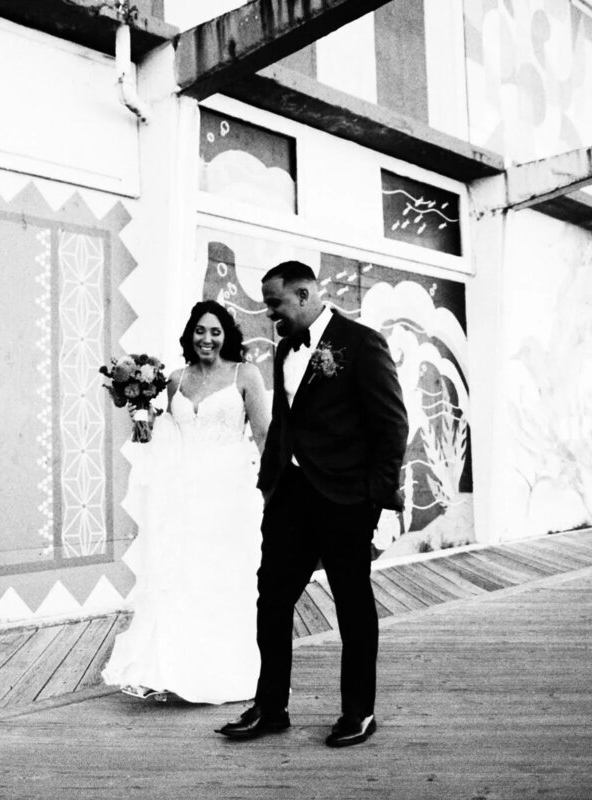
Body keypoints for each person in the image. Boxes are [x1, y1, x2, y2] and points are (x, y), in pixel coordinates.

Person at [216, 260, 408, 747]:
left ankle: (358, 712)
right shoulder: (284, 350)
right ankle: (271, 706)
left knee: (352, 606)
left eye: (275, 303)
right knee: (272, 600)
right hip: (291, 500)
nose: (269, 313)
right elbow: (285, 419)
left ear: (304, 295)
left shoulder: (363, 344)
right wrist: (269, 482)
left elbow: (392, 426)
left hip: (346, 501)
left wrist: (373, 500)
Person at [102, 300, 271, 704]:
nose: (207, 339)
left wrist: (273, 491)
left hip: (229, 494)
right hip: (180, 495)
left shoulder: (244, 375)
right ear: (189, 335)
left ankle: (221, 669)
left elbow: (265, 436)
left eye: (215, 331)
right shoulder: (175, 380)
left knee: (222, 581)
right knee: (177, 578)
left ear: (227, 334)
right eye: (200, 331)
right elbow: (161, 438)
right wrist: (141, 415)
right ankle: (170, 669)